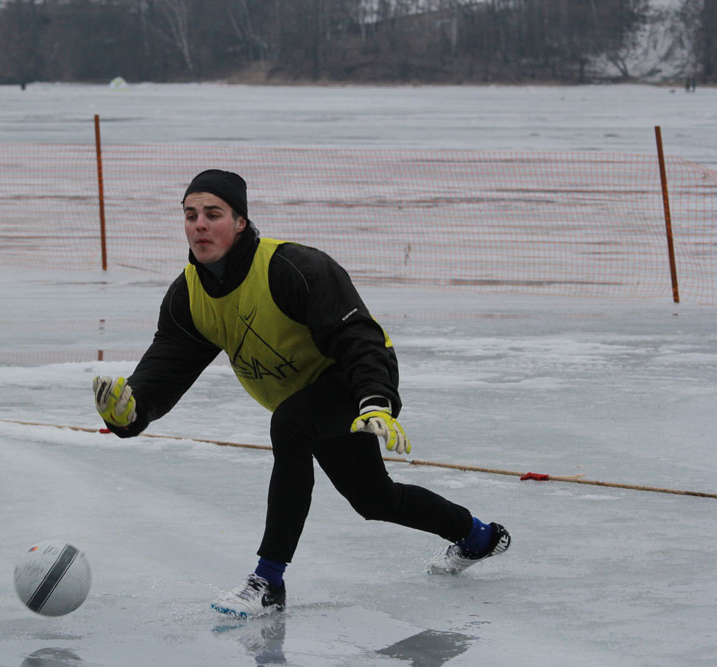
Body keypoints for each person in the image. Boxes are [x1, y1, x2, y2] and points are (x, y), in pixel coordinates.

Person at [92, 169, 510, 618]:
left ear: (240, 221)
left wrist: (375, 398)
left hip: (352, 380)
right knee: (374, 499)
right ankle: (479, 537)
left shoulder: (291, 268)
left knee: (291, 424)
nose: (199, 225)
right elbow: (166, 368)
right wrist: (130, 412)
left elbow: (358, 337)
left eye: (213, 214)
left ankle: (268, 581)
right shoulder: (189, 296)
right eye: (191, 215)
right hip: (307, 399)